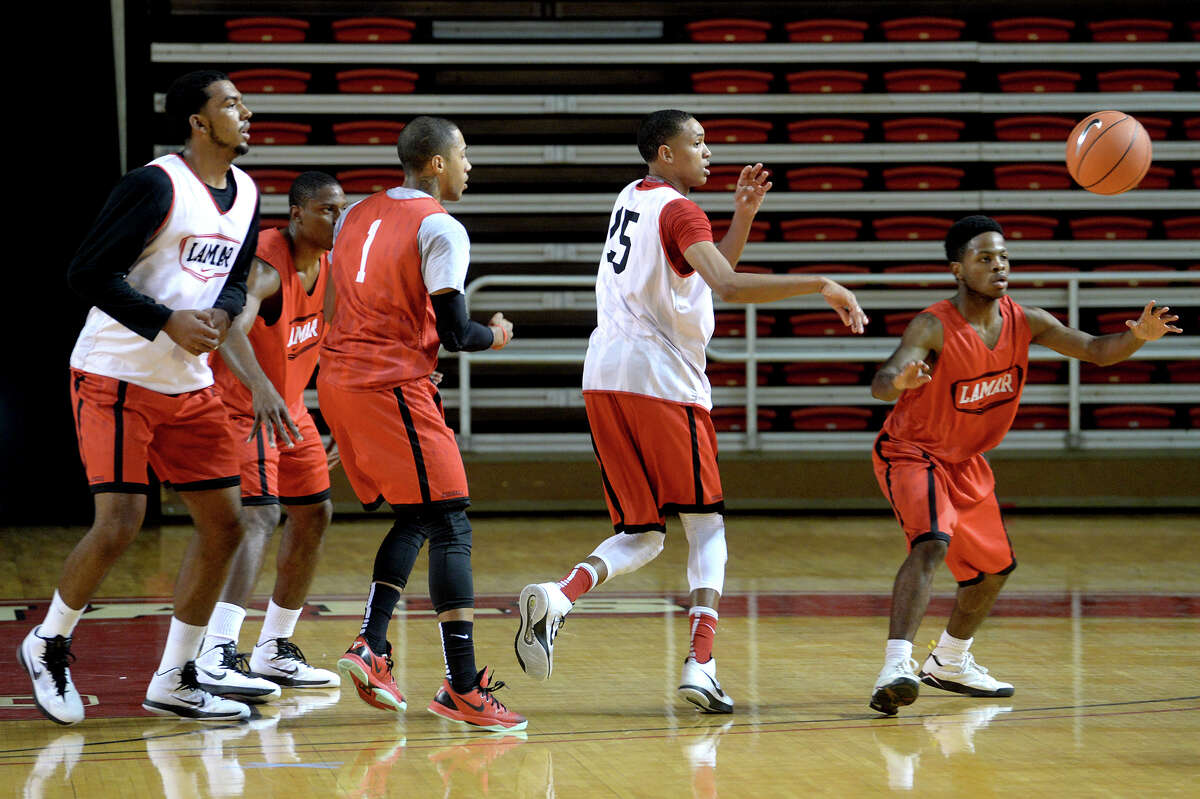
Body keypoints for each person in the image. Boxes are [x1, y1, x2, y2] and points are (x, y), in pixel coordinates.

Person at [514, 109, 869, 713]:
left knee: (642, 534)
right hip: (664, 381)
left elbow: (700, 275)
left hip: (604, 376)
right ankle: (701, 664)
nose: (708, 151)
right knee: (706, 527)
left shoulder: (633, 197)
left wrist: (743, 216)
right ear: (664, 152)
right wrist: (820, 284)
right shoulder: (680, 211)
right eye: (698, 141)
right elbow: (726, 285)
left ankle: (560, 595)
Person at [19, 70, 260, 723]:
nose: (246, 112)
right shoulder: (155, 185)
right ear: (198, 122)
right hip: (116, 373)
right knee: (121, 521)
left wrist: (223, 313)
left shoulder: (247, 192)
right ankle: (48, 640)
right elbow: (87, 272)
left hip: (187, 380)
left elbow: (236, 278)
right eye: (231, 104)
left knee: (226, 525)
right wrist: (166, 320)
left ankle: (175, 677)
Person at [867, 215, 1182, 716]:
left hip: (965, 460)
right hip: (913, 451)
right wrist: (900, 383)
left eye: (1004, 257)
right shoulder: (933, 325)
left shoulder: (1026, 320)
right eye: (985, 258)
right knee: (931, 542)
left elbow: (1096, 350)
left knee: (992, 571)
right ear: (957, 269)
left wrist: (1139, 336)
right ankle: (896, 666)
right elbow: (882, 380)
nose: (999, 266)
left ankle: (950, 660)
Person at [317, 115, 526, 731]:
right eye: (463, 154)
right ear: (437, 163)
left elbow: (337, 304)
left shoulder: (354, 213)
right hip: (388, 384)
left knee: (417, 514)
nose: (469, 166)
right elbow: (458, 333)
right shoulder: (441, 227)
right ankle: (461, 686)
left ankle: (372, 644)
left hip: (342, 378)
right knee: (451, 521)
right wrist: (498, 335)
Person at [192, 172, 348, 703]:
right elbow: (230, 328)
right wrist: (260, 388)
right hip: (243, 407)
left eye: (342, 209)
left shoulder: (329, 266)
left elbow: (336, 345)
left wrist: (339, 420)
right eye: (327, 210)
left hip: (290, 408)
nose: (338, 219)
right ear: (297, 214)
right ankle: (215, 652)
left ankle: (273, 647)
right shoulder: (265, 264)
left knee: (315, 513)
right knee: (258, 518)